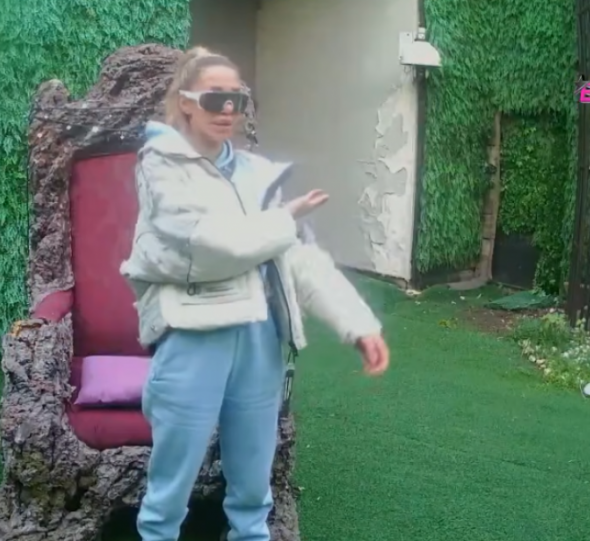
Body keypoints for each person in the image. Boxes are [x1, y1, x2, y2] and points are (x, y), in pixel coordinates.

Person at [120, 46, 390, 541]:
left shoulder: (258, 173)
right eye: (214, 97)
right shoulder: (161, 165)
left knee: (253, 484)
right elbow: (210, 247)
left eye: (237, 99)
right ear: (185, 102)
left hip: (261, 336)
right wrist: (283, 220)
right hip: (193, 333)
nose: (227, 109)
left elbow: (300, 259)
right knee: (169, 488)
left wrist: (358, 325)